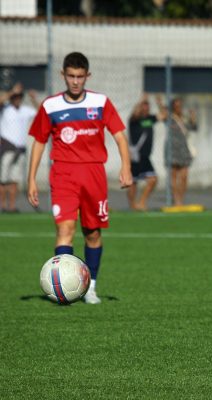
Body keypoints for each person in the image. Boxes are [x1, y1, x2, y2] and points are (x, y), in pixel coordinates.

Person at [27, 51, 132, 304]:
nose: (75, 81)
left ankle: (91, 286)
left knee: (92, 233)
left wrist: (126, 167)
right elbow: (39, 142)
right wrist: (31, 179)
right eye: (71, 76)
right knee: (65, 229)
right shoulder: (50, 106)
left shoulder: (100, 102)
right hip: (63, 173)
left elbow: (119, 135)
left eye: (80, 76)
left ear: (88, 76)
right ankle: (63, 286)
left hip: (94, 173)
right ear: (63, 75)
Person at [0, 83, 38, 213]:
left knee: (14, 180)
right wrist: (12, 91)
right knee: (3, 179)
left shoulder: (25, 110)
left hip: (20, 149)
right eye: (15, 97)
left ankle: (11, 206)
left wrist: (33, 99)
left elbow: (41, 113)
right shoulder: (6, 108)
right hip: (7, 148)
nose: (17, 99)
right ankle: (2, 206)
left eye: (19, 97)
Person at [127, 94, 167, 211]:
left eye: (147, 106)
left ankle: (142, 202)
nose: (146, 108)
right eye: (144, 106)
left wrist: (159, 103)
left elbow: (164, 115)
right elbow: (134, 112)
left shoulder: (150, 119)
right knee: (133, 183)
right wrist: (141, 100)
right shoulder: (134, 120)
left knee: (153, 179)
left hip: (145, 156)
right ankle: (133, 205)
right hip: (136, 156)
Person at [165, 97, 196, 206]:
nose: (179, 108)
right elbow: (161, 113)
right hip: (173, 149)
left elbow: (193, 128)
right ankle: (176, 199)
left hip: (184, 149)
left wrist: (193, 117)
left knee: (184, 176)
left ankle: (181, 199)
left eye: (180, 106)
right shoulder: (169, 118)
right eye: (177, 106)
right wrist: (160, 103)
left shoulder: (184, 118)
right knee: (173, 176)